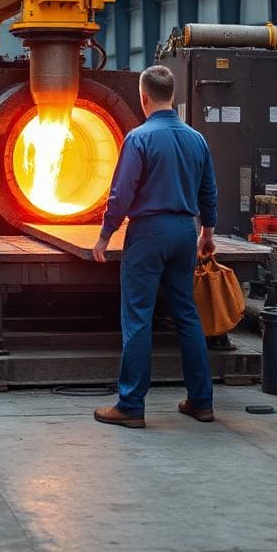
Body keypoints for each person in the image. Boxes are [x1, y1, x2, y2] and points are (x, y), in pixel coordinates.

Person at [91, 65, 218, 429]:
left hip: (148, 232)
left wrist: (105, 234)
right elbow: (209, 191)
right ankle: (201, 402)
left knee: (138, 317)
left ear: (143, 97)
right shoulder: (197, 139)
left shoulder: (139, 138)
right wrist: (207, 234)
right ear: (172, 96)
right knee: (186, 315)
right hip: (184, 231)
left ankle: (131, 405)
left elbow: (122, 192)